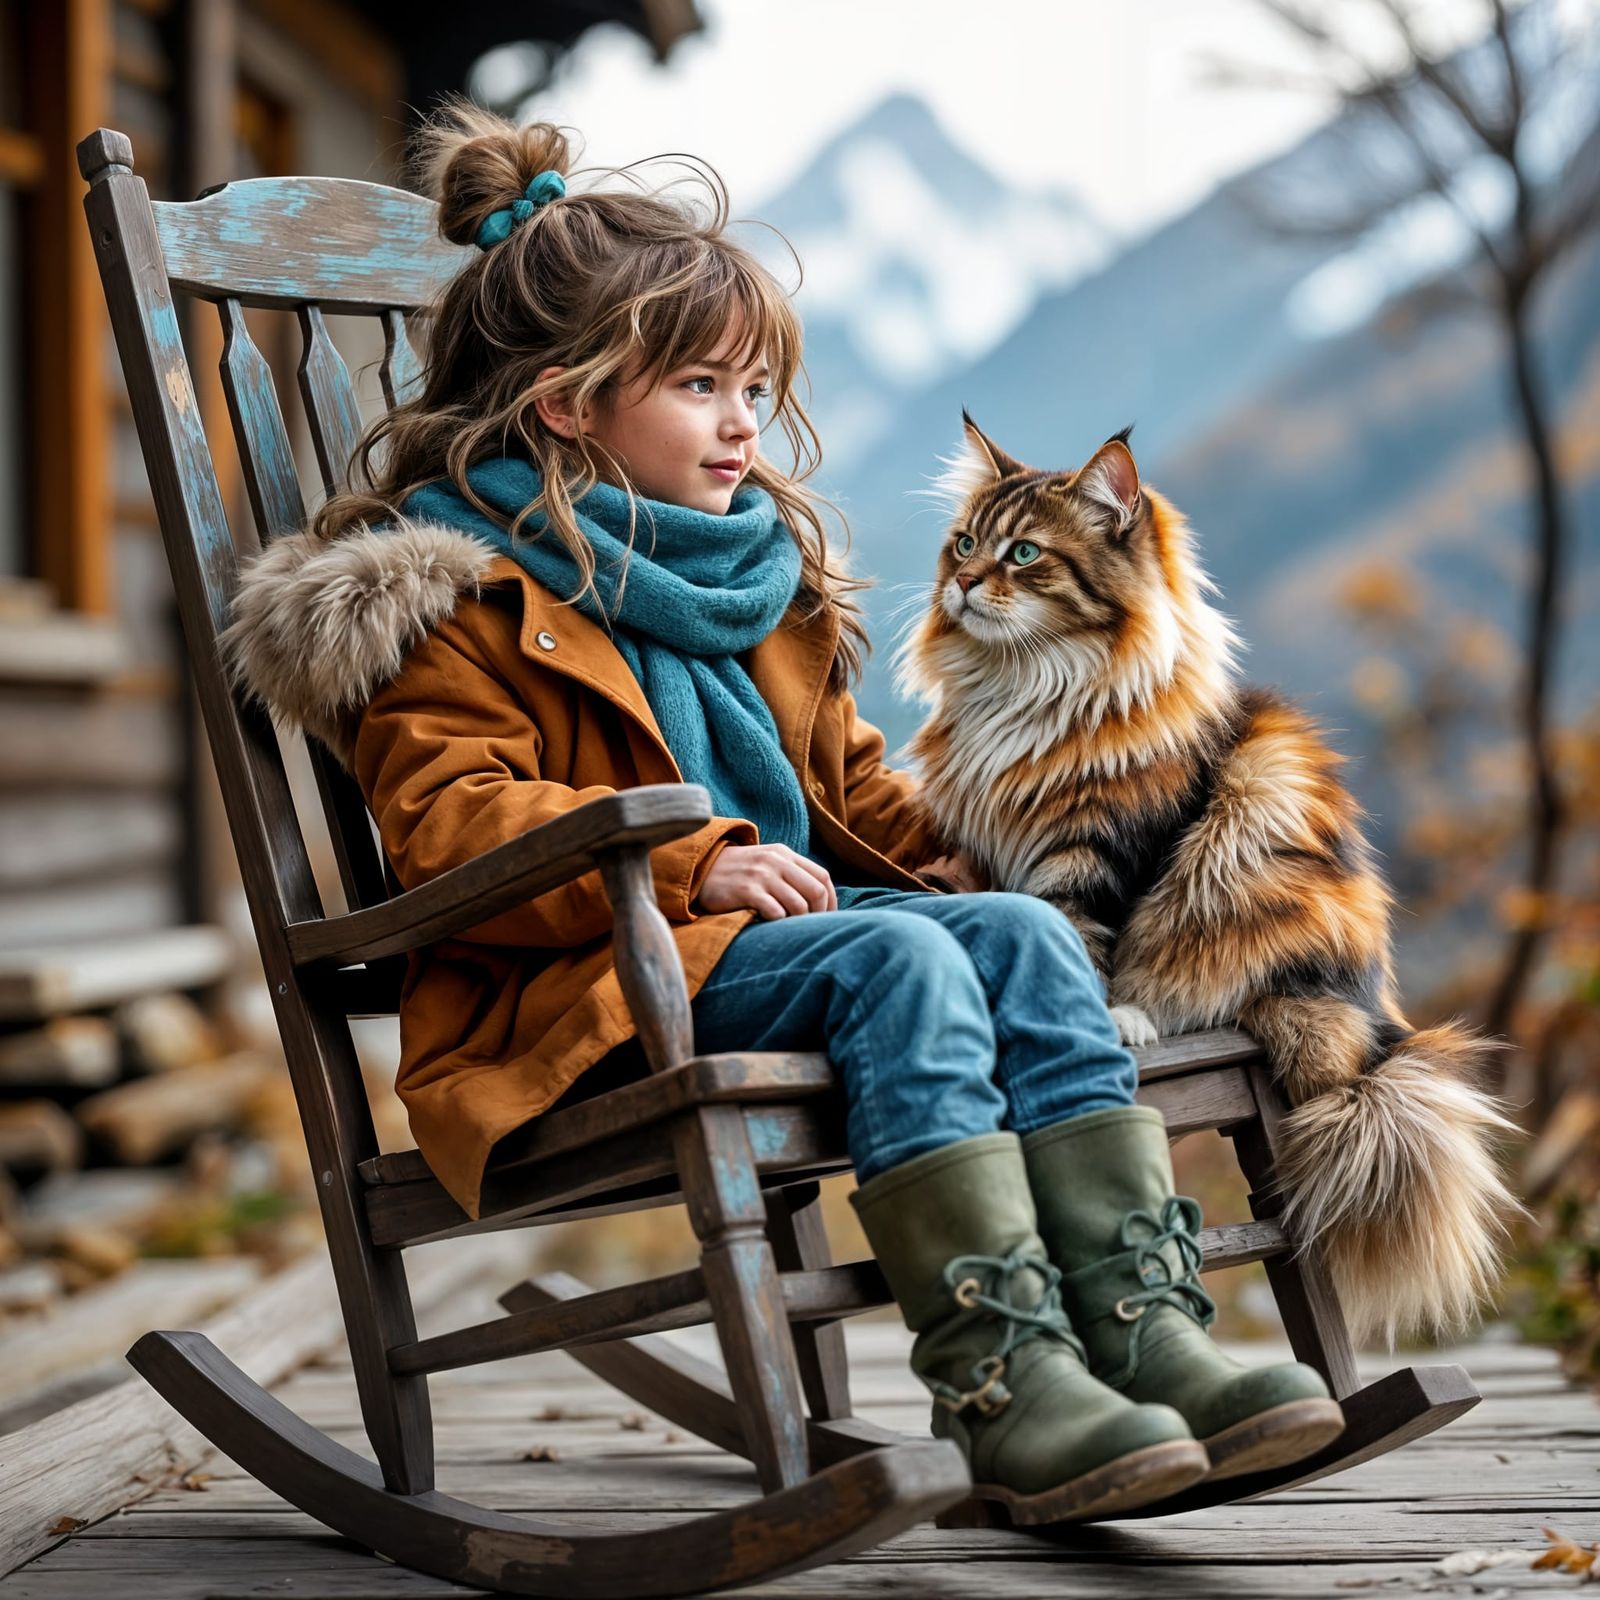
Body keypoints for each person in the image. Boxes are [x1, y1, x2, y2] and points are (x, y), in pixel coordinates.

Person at [223, 100, 1341, 1524]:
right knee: (907, 958)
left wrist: (969, 860)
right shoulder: (458, 600)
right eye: (701, 387)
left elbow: (853, 789)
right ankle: (1002, 1377)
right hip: (596, 982)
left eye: (755, 386)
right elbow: (453, 821)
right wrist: (696, 864)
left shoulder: (754, 577)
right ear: (569, 405)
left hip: (780, 943)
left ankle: (1144, 1330)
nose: (745, 421)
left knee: (1017, 937)